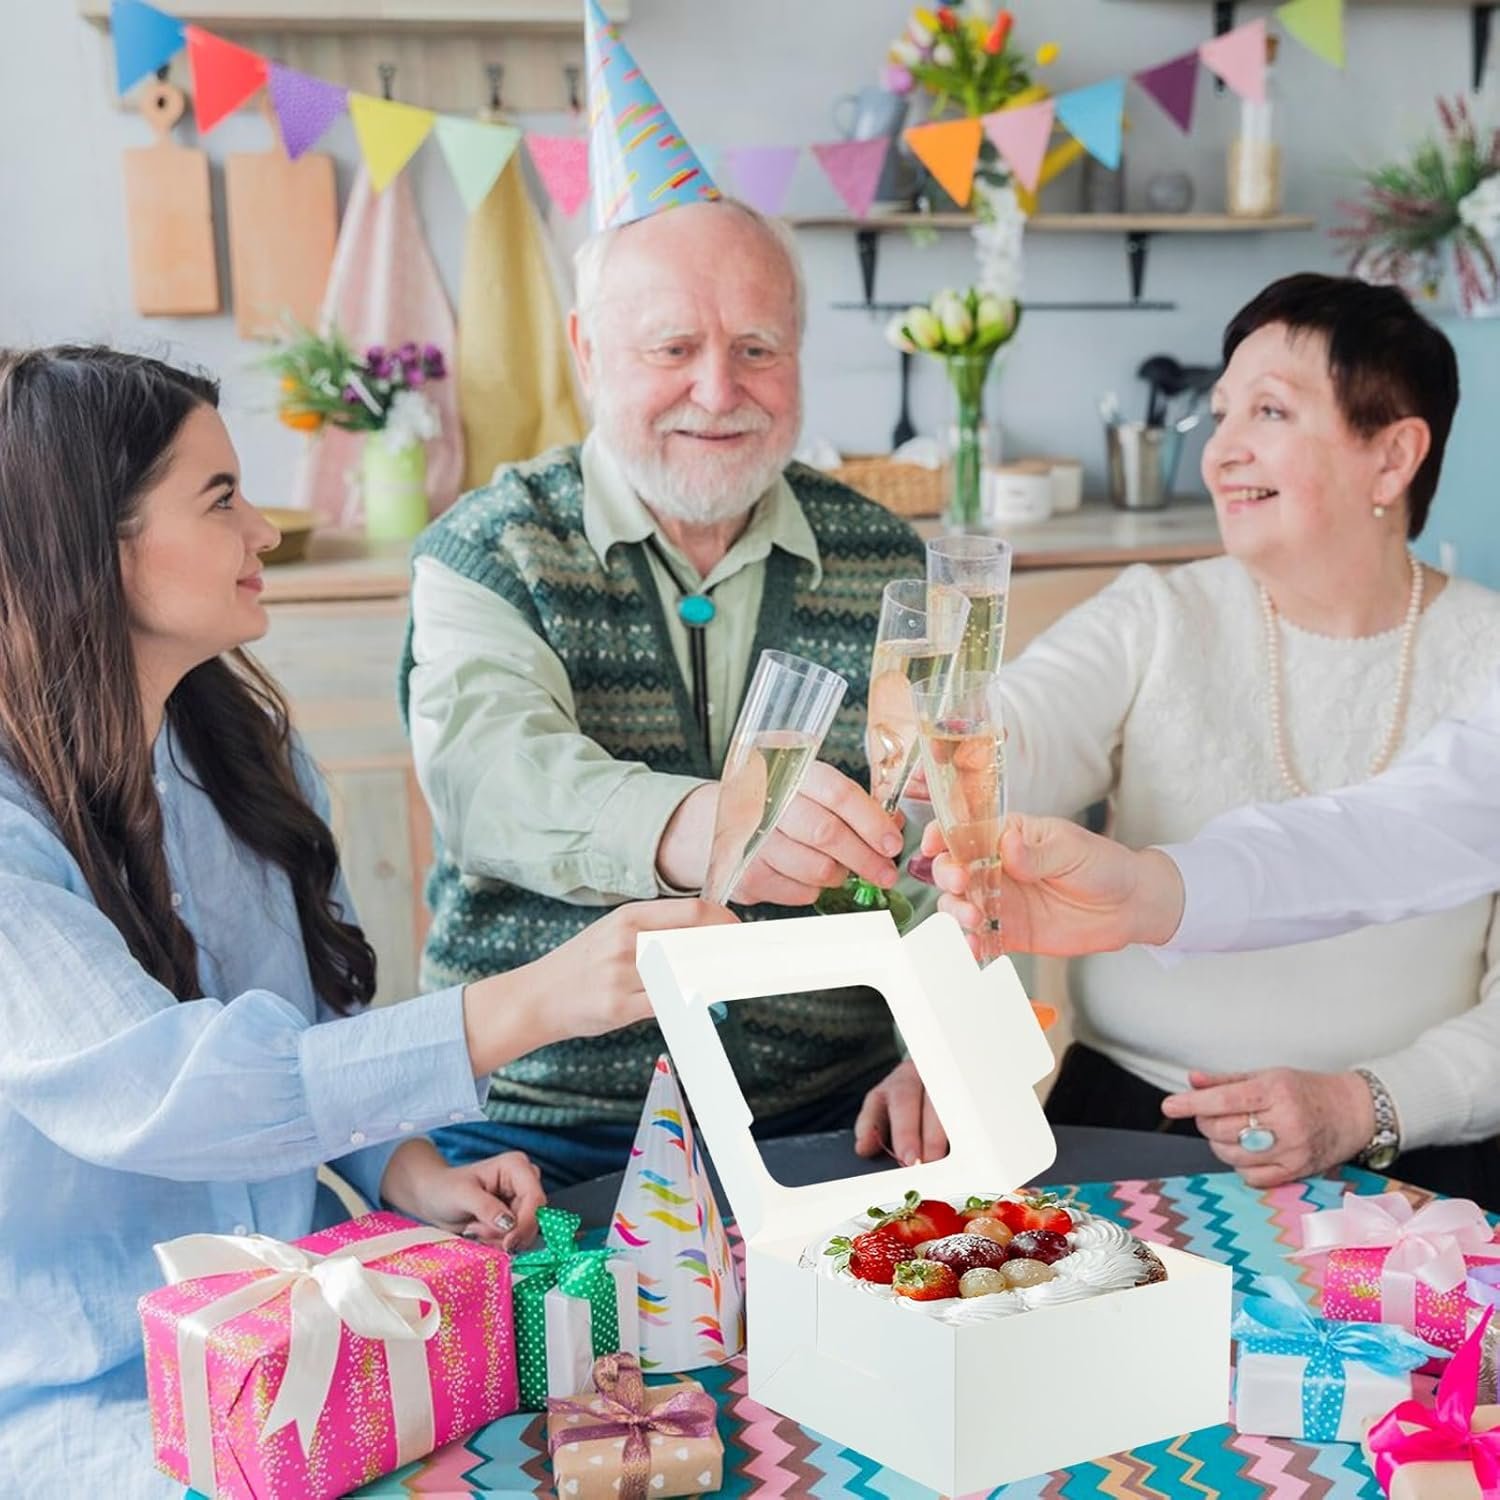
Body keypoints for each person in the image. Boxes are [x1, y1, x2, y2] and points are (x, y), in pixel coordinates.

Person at [0, 346, 731, 1499]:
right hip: (92, 1410)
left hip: (303, 1351)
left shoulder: (246, 759)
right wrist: (536, 999)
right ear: (95, 544)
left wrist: (405, 1168)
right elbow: (191, 1097)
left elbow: (303, 1036)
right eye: (222, 499)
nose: (267, 534)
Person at [888, 275, 1500, 1202]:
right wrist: (937, 744)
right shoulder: (1155, 612)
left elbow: (1394, 839)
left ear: (1392, 457)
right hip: (1133, 1126)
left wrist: (1368, 1102)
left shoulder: (1488, 655)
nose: (1221, 453)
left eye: (1269, 411)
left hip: (1413, 1159)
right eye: (1219, 415)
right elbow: (1016, 739)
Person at [402, 197, 928, 1189]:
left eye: (759, 348)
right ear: (587, 350)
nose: (718, 390)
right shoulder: (491, 548)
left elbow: (947, 835)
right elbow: (490, 782)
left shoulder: (888, 562)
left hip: (827, 1120)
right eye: (674, 347)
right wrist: (710, 825)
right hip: (541, 1124)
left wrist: (938, 1045)